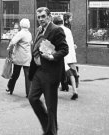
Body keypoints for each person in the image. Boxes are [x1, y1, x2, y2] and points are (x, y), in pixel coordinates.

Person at [28, 7, 68, 135]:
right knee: (32, 98)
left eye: (43, 16)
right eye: (38, 17)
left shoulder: (57, 30)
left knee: (51, 106)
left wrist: (52, 56)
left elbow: (64, 49)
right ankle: (48, 127)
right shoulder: (40, 30)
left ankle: (51, 132)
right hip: (38, 71)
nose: (40, 19)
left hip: (51, 73)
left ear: (49, 17)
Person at [53, 15, 79, 100]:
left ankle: (53, 92)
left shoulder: (56, 30)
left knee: (55, 73)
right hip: (69, 54)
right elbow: (71, 43)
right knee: (69, 72)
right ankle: (74, 90)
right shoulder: (68, 30)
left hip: (61, 54)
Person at [6, 18, 32, 97]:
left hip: (19, 57)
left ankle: (10, 87)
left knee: (15, 74)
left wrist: (9, 49)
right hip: (27, 57)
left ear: (21, 25)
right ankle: (29, 93)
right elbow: (31, 43)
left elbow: (13, 42)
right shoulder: (29, 34)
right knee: (27, 76)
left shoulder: (20, 33)